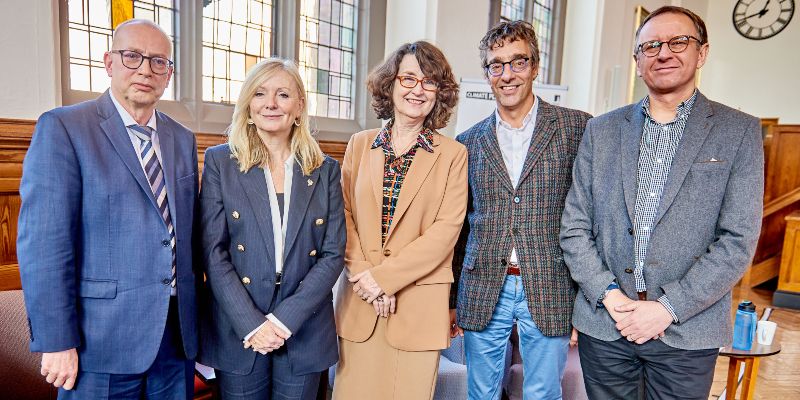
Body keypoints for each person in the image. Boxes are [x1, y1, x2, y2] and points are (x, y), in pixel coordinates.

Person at [560, 6, 764, 399]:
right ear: (637, 62)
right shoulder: (600, 131)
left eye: (678, 42)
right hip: (606, 324)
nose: (663, 53)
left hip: (687, 330)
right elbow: (574, 227)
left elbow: (737, 240)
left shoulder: (737, 131)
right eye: (650, 45)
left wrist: (666, 308)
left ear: (701, 53)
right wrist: (610, 296)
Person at [17, 19, 199, 398]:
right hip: (97, 342)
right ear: (109, 62)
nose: (145, 70)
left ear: (168, 75)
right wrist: (56, 340)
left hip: (175, 339)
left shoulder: (182, 139)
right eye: (133, 56)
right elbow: (45, 244)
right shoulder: (65, 128)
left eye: (158, 62)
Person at [450, 20, 591, 400]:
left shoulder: (576, 128)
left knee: (543, 392)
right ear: (487, 74)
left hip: (550, 284)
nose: (507, 74)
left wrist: (587, 301)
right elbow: (460, 228)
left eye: (518, 62)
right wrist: (451, 302)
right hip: (483, 286)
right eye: (496, 65)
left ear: (535, 66)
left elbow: (590, 219)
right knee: (481, 392)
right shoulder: (467, 142)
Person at [197, 58, 345, 400]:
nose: (271, 103)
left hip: (303, 324)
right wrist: (252, 323)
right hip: (239, 324)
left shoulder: (325, 169)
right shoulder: (222, 162)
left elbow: (333, 252)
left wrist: (284, 320)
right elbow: (212, 251)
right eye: (261, 93)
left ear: (299, 107)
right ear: (249, 105)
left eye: (283, 94)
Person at [332, 41, 467, 400]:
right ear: (390, 85)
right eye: (408, 78)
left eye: (429, 81)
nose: (417, 90)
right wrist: (367, 279)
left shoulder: (454, 155)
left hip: (417, 309)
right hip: (360, 304)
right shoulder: (359, 145)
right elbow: (342, 216)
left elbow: (445, 232)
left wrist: (384, 280)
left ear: (440, 92)